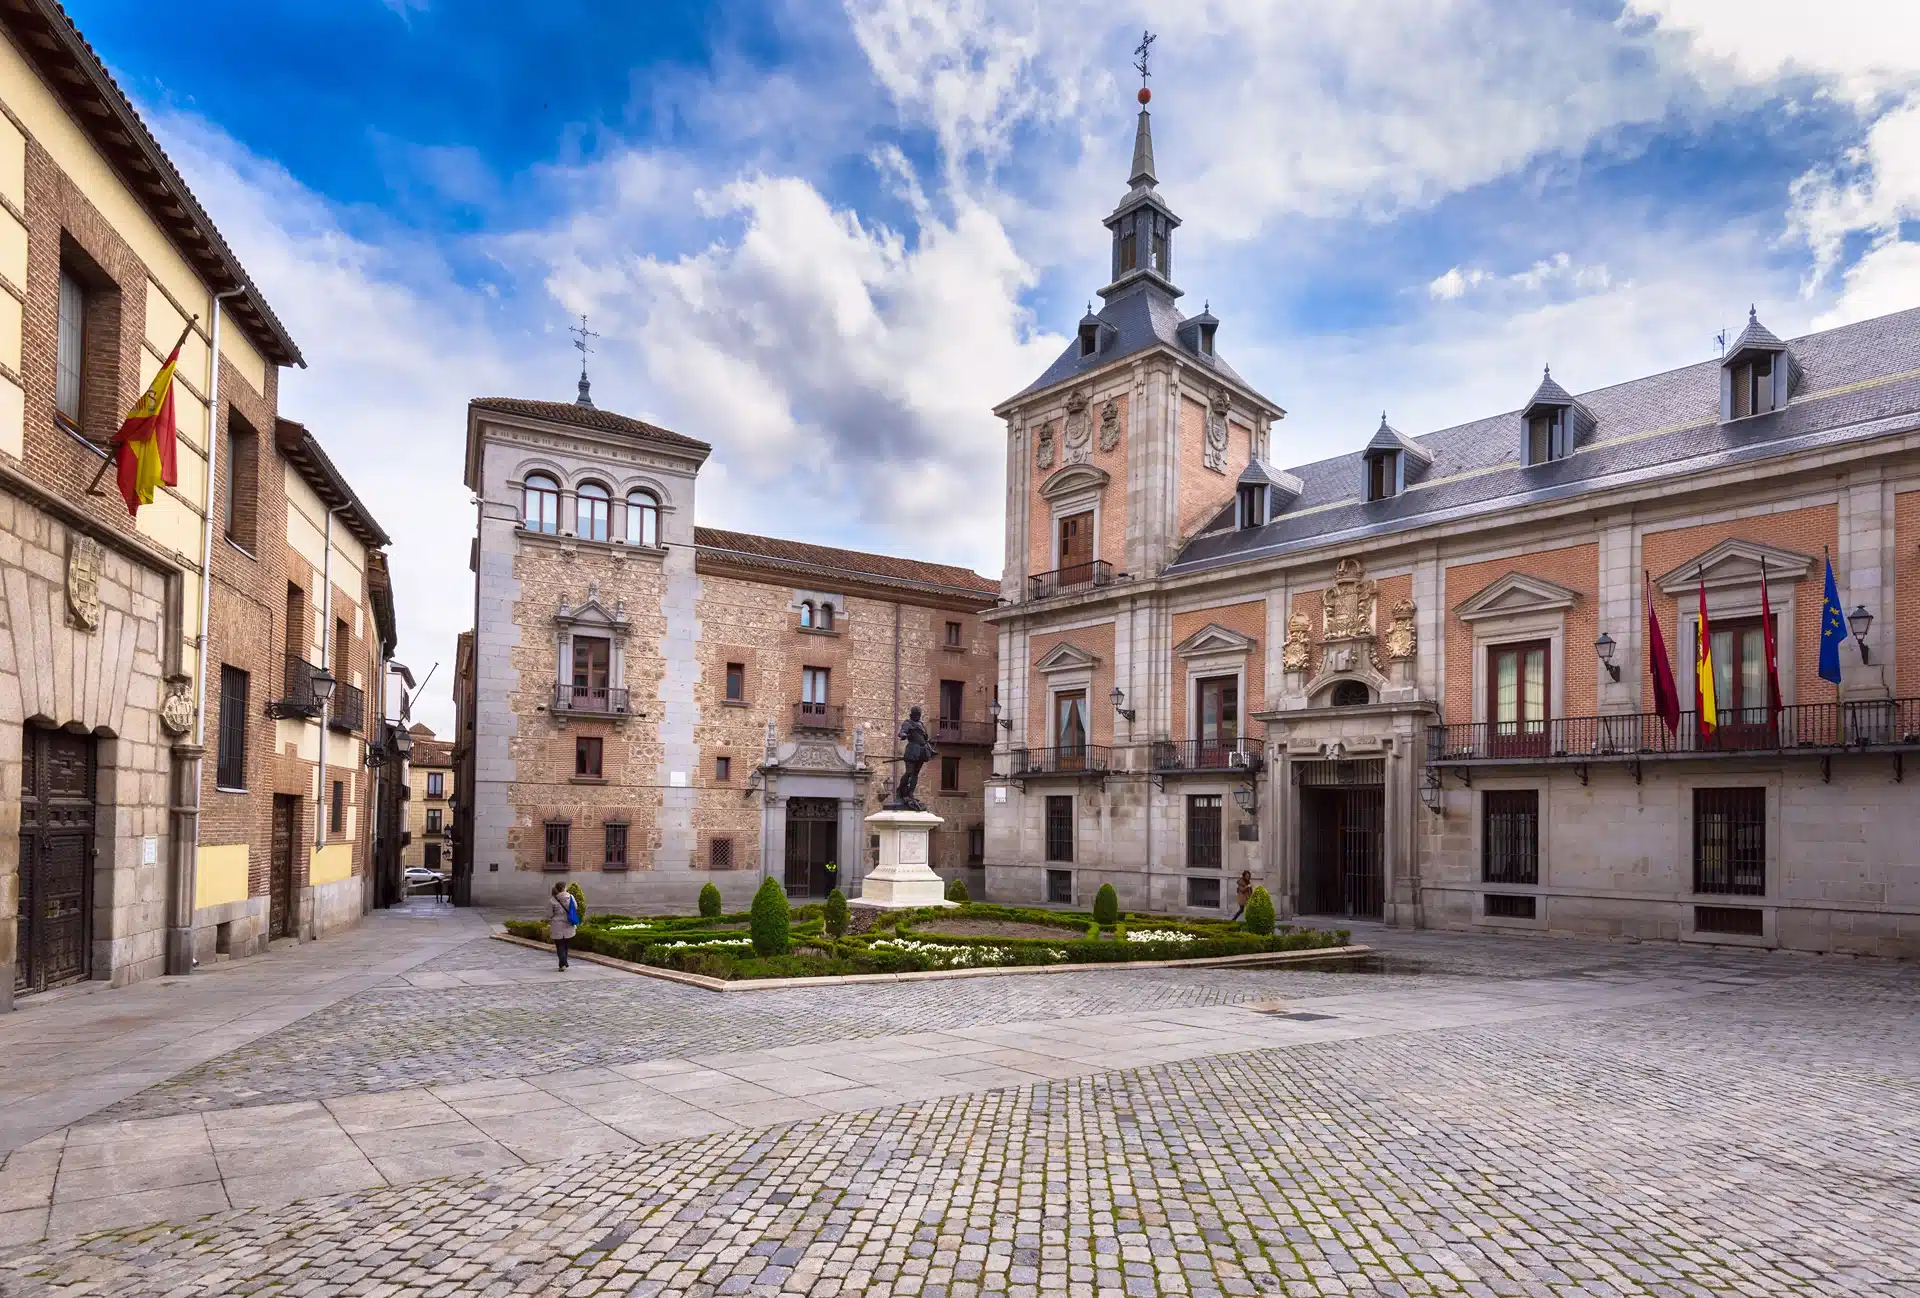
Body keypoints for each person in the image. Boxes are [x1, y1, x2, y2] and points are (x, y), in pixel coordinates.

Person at [548, 881, 577, 970]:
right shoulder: (571, 897)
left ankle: (562, 963)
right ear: (565, 888)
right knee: (565, 945)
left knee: (559, 945)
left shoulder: (552, 900)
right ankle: (564, 962)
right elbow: (575, 907)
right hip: (568, 923)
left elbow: (549, 913)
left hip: (557, 925)